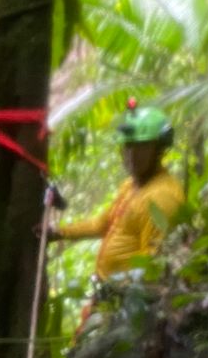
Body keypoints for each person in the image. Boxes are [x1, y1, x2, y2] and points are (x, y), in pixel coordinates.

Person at [49, 101, 184, 282]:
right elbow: (102, 224)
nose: (132, 156)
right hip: (108, 294)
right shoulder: (131, 185)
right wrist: (58, 232)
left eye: (142, 148)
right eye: (128, 147)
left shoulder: (161, 198)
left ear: (159, 151)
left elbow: (153, 266)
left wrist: (118, 297)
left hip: (125, 300)